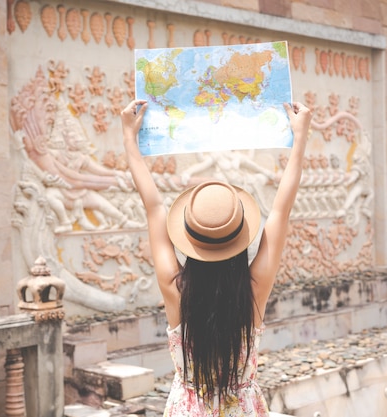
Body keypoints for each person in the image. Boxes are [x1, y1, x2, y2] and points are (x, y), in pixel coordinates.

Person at [120, 99, 311, 416]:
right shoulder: (253, 290)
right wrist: (300, 136)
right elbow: (280, 211)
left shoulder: (175, 288)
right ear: (239, 237)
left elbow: (153, 208)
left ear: (190, 240)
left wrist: (129, 137)